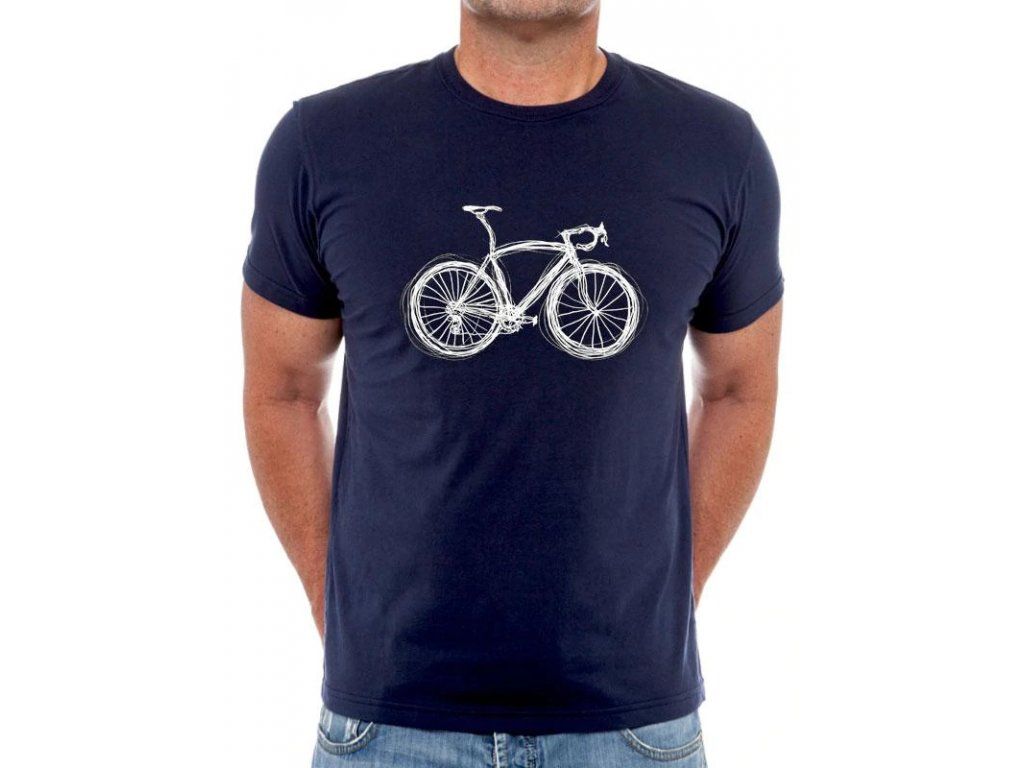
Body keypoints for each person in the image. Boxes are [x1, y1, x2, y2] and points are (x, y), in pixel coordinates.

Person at [241, 1, 783, 765]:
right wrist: (330, 593)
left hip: (632, 727)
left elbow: (739, 388)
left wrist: (671, 593)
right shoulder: (322, 143)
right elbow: (284, 389)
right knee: (495, 282)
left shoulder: (717, 148)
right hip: (389, 724)